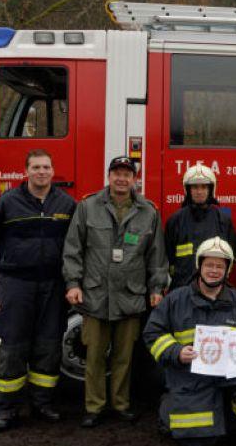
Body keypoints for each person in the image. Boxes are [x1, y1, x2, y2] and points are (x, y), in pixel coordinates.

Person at [62, 156, 167, 427]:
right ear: (109, 176)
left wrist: (156, 288)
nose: (121, 179)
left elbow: (156, 256)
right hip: (95, 294)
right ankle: (94, 407)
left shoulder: (148, 212)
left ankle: (121, 404)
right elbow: (73, 249)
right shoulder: (88, 207)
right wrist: (73, 284)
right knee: (94, 356)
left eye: (127, 174)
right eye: (117, 173)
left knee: (124, 357)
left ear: (134, 179)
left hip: (129, 296)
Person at [0, 149, 76, 431]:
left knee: (49, 345)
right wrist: (11, 255)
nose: (41, 172)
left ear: (52, 171)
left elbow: (75, 242)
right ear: (26, 171)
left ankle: (42, 404)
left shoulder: (67, 204)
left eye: (46, 167)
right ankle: (7, 409)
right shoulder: (7, 202)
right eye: (35, 167)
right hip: (16, 283)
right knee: (14, 345)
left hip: (52, 283)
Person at [143, 238, 236, 446]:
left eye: (219, 266)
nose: (214, 270)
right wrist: (177, 352)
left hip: (229, 372)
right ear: (199, 266)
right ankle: (168, 408)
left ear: (227, 270)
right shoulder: (176, 299)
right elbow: (152, 333)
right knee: (197, 445)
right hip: (190, 374)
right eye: (209, 265)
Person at [165, 163, 235, 289]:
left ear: (210, 189)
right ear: (188, 190)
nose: (199, 191)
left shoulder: (223, 220)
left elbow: (230, 254)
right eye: (195, 187)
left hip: (214, 289)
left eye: (204, 187)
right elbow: (167, 257)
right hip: (182, 288)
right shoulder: (175, 220)